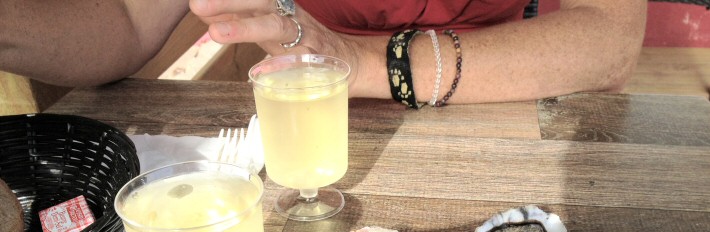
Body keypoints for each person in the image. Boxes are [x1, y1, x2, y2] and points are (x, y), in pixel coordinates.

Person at [0, 0, 647, 106]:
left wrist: (365, 64)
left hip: (494, 102)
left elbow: (609, 35)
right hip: (294, 126)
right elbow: (126, 21)